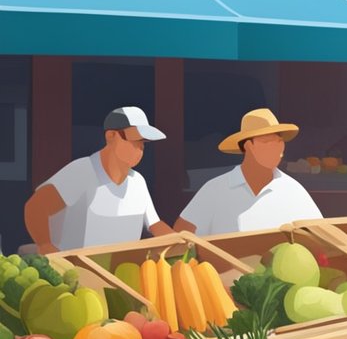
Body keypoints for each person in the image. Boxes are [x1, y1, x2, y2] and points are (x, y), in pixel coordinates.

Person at [24, 106, 174, 253]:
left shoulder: (138, 182)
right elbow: (36, 208)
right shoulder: (81, 171)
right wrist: (46, 246)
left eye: (143, 142)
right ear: (111, 136)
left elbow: (155, 224)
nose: (139, 148)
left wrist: (181, 240)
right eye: (134, 140)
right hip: (73, 270)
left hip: (121, 270)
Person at [175, 109, 321, 236]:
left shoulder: (293, 190)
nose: (276, 148)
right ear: (248, 146)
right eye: (266, 142)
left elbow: (321, 236)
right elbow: (181, 236)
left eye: (278, 142)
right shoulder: (215, 189)